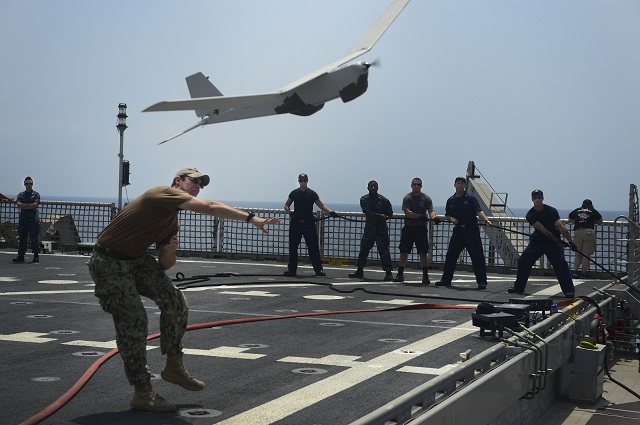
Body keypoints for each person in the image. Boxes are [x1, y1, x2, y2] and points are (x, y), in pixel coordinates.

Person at [87, 167, 280, 413]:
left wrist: (169, 249)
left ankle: (173, 365)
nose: (198, 186)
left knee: (175, 301)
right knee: (133, 320)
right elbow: (209, 207)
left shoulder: (172, 221)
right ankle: (142, 391)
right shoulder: (161, 194)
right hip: (109, 261)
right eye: (194, 181)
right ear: (178, 181)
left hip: (136, 260)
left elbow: (165, 265)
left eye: (201, 184)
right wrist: (252, 218)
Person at [507, 189, 576, 298]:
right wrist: (557, 240)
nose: (537, 200)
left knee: (560, 264)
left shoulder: (552, 210)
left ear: (542, 199)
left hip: (553, 243)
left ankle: (569, 290)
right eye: (535, 198)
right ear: (532, 200)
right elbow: (543, 230)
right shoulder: (530, 214)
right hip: (539, 241)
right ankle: (519, 287)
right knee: (523, 260)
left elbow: (561, 227)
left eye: (539, 198)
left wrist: (571, 241)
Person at [435, 177, 491, 289]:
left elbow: (478, 210)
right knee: (451, 256)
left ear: (464, 186)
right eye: (458, 183)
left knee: (477, 257)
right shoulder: (450, 200)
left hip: (471, 230)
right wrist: (451, 219)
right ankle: (446, 280)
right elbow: (447, 214)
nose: (460, 185)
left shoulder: (470, 198)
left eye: (462, 183)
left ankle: (482, 282)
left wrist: (486, 220)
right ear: (454, 185)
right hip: (458, 231)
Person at [283, 173, 336, 277]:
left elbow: (322, 205)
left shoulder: (312, 194)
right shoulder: (294, 193)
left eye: (304, 181)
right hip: (296, 224)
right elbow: (286, 205)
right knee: (293, 248)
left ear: (307, 181)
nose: (303, 183)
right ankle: (292, 270)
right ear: (298, 181)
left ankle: (318, 270)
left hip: (309, 224)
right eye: (301, 181)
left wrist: (330, 212)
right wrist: (290, 212)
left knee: (313, 248)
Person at [394, 177, 437, 284]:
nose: (416, 186)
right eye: (414, 184)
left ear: (421, 186)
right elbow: (407, 212)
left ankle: (425, 276)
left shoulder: (426, 198)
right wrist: (419, 216)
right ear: (411, 185)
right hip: (409, 228)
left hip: (421, 229)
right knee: (404, 251)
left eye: (418, 185)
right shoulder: (407, 198)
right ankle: (400, 274)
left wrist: (434, 217)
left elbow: (431, 210)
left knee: (423, 252)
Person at [348, 180, 394, 281]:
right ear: (368, 188)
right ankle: (359, 270)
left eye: (375, 186)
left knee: (384, 250)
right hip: (370, 228)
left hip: (381, 229)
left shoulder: (384, 200)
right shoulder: (364, 199)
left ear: (378, 188)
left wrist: (385, 217)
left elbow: (390, 213)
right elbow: (367, 211)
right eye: (371, 186)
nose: (373, 188)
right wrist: (379, 216)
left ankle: (388, 273)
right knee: (364, 249)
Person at [568, 199, 603, 278]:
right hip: (588, 232)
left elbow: (570, 217)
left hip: (577, 232)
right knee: (586, 255)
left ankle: (575, 271)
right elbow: (600, 219)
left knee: (578, 254)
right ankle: (584, 273)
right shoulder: (592, 210)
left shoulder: (577, 210)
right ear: (591, 205)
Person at [13, 176, 40, 263]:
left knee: (34, 238)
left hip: (33, 220)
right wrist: (29, 205)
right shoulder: (21, 195)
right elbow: (18, 204)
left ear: (32, 184)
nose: (29, 185)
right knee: (22, 238)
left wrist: (24, 206)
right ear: (24, 184)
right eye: (27, 184)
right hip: (23, 220)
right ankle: (21, 256)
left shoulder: (36, 194)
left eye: (30, 184)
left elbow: (35, 205)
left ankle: (36, 256)